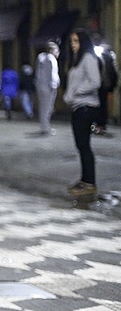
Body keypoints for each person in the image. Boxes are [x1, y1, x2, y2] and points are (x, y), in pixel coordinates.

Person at [63, 29, 102, 197]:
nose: (73, 45)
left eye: (76, 41)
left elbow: (95, 82)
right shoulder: (77, 60)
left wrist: (77, 92)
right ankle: (85, 180)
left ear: (83, 42)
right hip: (78, 107)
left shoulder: (88, 58)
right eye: (72, 41)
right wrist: (69, 96)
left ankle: (89, 183)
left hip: (86, 107)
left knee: (84, 146)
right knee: (81, 146)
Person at [35, 42, 61, 135]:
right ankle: (45, 127)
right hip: (49, 87)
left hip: (40, 86)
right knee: (48, 107)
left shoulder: (40, 57)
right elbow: (52, 74)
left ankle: (44, 126)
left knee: (43, 107)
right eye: (56, 50)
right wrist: (53, 86)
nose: (58, 52)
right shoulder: (51, 59)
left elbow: (38, 73)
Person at [93, 45, 118, 135]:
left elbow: (112, 73)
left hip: (101, 86)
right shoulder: (108, 58)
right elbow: (113, 72)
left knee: (100, 106)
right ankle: (99, 125)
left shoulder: (101, 57)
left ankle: (99, 125)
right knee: (101, 106)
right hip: (103, 86)